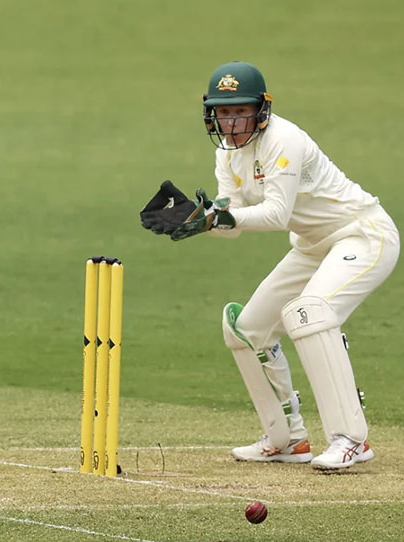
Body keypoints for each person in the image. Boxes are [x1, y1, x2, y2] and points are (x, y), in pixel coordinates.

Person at [140, 61, 399, 470]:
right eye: (223, 113)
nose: (231, 121)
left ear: (261, 109)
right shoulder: (227, 153)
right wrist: (202, 218)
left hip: (363, 234)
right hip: (313, 245)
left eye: (239, 110)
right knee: (246, 329)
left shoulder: (284, 140)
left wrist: (221, 217)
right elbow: (232, 223)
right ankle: (287, 439)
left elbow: (276, 215)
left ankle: (351, 439)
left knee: (308, 311)